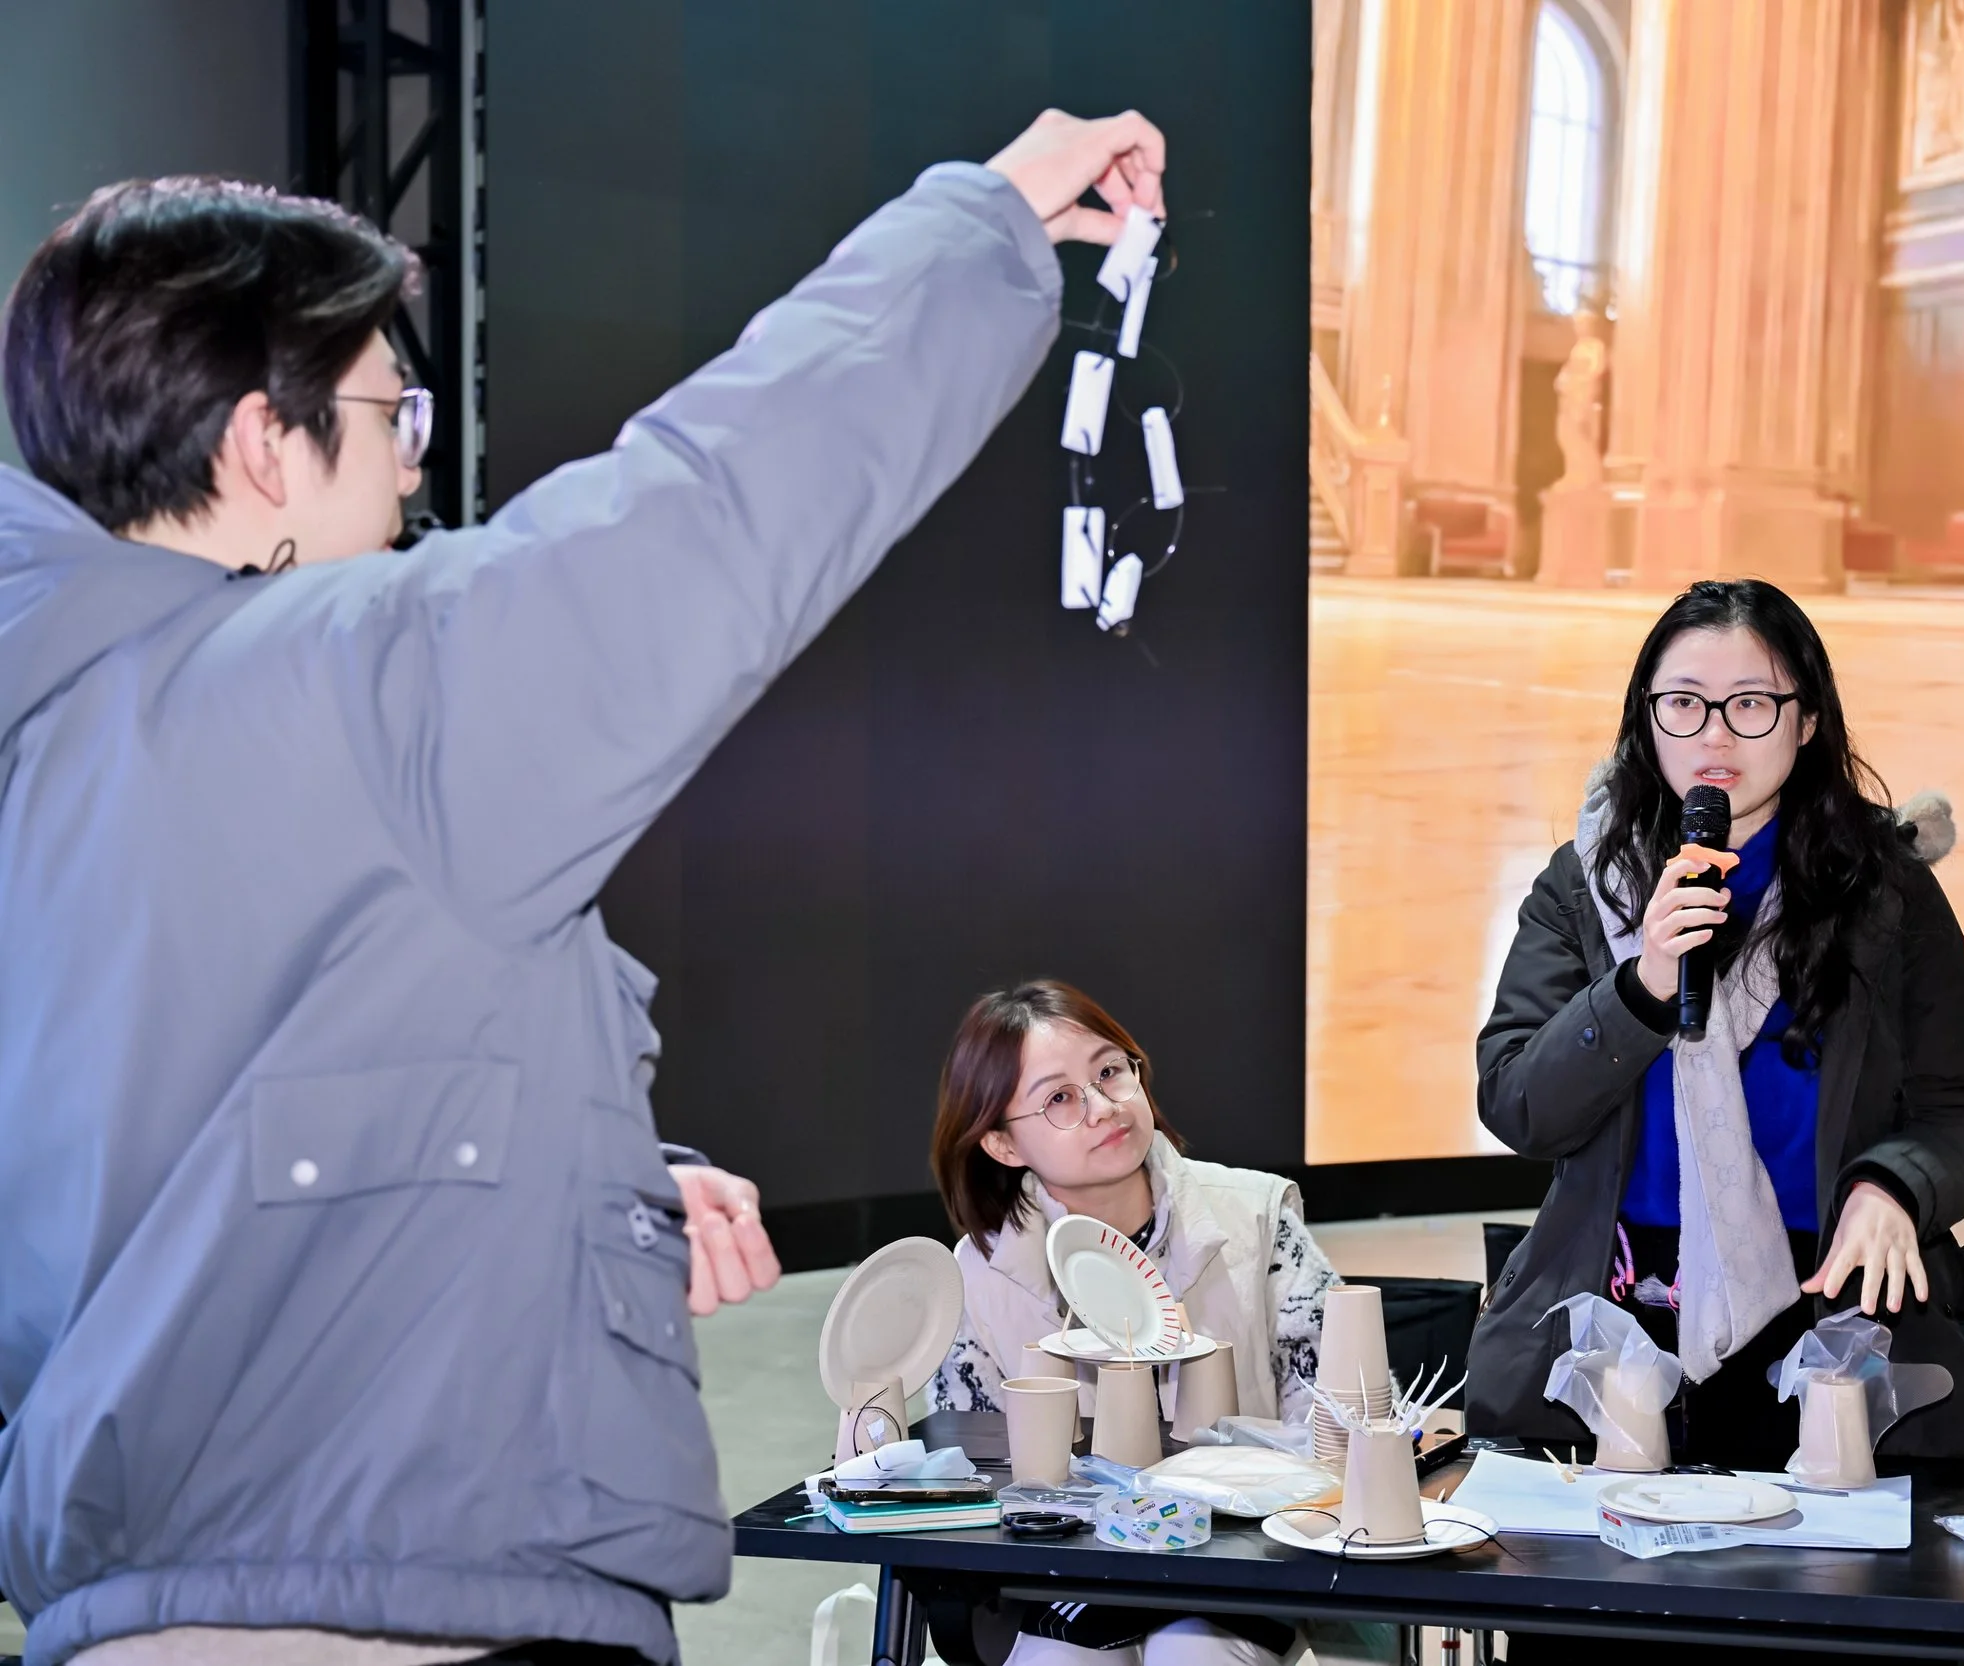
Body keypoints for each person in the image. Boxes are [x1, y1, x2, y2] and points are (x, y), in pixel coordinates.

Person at [0, 111, 1166, 1666]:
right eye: (388, 412)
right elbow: (715, 496)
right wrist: (991, 216)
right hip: (404, 1605)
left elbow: (209, 1141)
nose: (413, 474)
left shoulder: (53, 747)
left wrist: (580, 1179)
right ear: (266, 445)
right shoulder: (352, 695)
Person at [1467, 578, 1964, 1470]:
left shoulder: (1887, 889)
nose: (1715, 735)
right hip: (1621, 1325)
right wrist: (1643, 984)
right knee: (1602, 1607)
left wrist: (1895, 1186)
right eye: (1684, 703)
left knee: (1833, 1604)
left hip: (1835, 1327)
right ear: (1647, 719)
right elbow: (1521, 1104)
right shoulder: (1583, 886)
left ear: (1806, 722)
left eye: (1751, 704)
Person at [928, 981, 1336, 1666]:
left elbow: (1335, 1422)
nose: (1104, 1107)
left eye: (1111, 1072)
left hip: (1246, 1563)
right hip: (1061, 1580)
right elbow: (976, 1478)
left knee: (1196, 1653)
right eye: (1059, 1098)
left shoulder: (1258, 1217)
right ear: (1001, 1143)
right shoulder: (976, 1272)